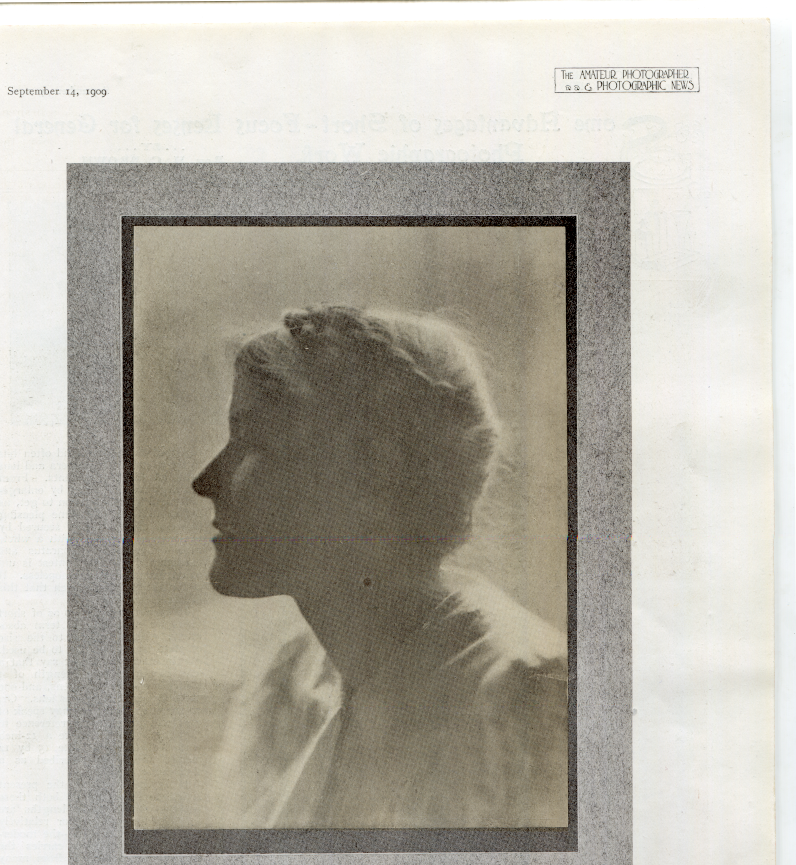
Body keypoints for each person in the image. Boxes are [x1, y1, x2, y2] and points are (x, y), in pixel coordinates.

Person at [192, 305, 567, 829]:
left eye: (254, 441)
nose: (206, 480)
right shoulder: (289, 678)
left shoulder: (518, 694)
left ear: (369, 481)